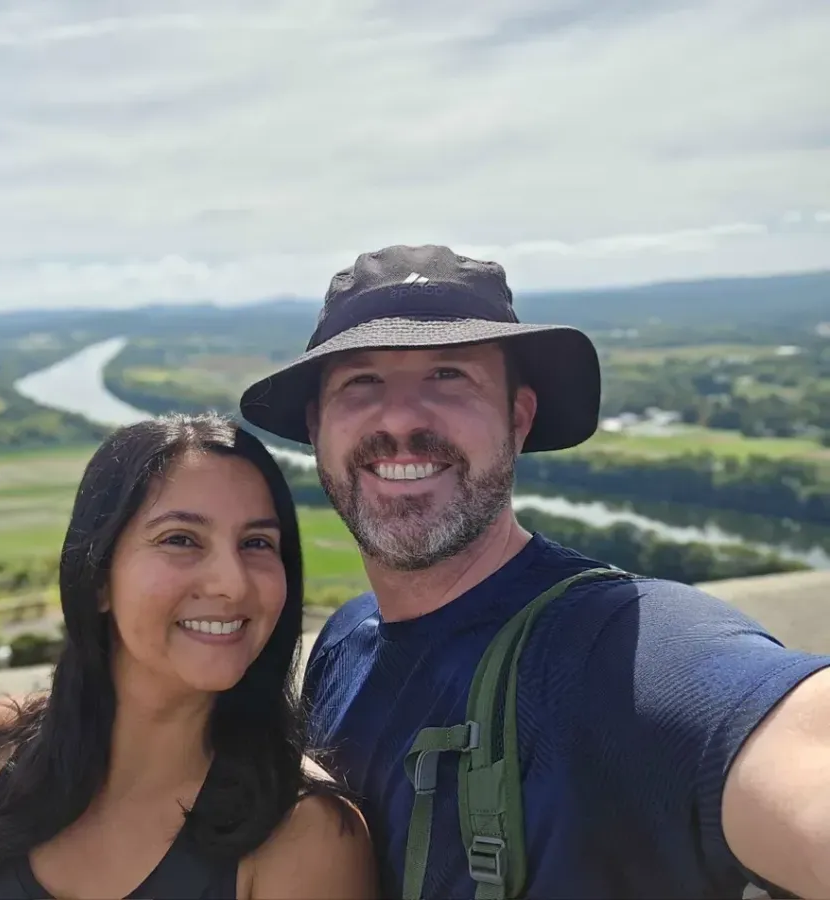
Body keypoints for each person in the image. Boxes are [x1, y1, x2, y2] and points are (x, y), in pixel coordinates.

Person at [238, 244, 830, 900]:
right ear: (318, 428)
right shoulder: (345, 643)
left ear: (517, 419)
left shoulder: (623, 649)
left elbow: (795, 752)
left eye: (448, 375)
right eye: (362, 382)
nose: (402, 418)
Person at [0, 413, 378, 900]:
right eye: (181, 540)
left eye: (257, 543)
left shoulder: (305, 834)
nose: (232, 584)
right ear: (99, 576)